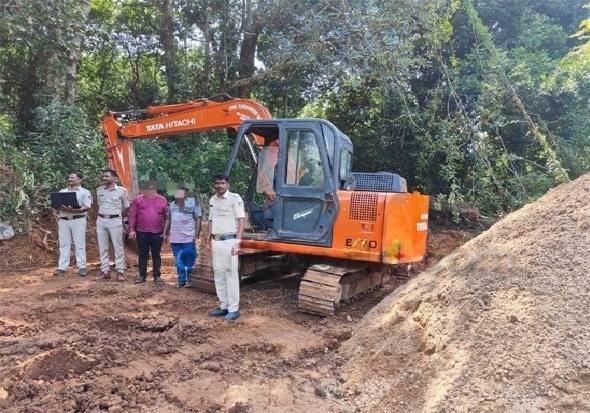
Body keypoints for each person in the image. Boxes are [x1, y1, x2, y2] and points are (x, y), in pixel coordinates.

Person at [206, 174, 245, 321]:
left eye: (222, 183)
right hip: (216, 241)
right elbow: (210, 221)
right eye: (217, 183)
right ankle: (224, 306)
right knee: (219, 274)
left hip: (230, 241)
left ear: (227, 184)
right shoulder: (212, 200)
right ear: (214, 185)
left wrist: (238, 242)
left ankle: (234, 309)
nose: (220, 186)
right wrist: (208, 239)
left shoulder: (235, 198)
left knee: (231, 274)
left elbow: (241, 220)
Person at [128, 181, 168, 284]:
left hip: (157, 232)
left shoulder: (162, 200)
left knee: (156, 254)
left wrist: (166, 232)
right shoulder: (137, 200)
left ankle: (157, 276)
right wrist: (131, 230)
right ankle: (142, 275)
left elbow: (166, 217)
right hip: (141, 232)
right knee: (142, 254)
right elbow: (132, 215)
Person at [53, 172, 92, 277]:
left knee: (79, 243)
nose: (70, 179)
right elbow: (57, 205)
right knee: (64, 243)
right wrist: (59, 206)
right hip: (64, 220)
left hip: (78, 219)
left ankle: (82, 266)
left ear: (79, 180)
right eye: (69, 177)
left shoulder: (84, 192)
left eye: (72, 178)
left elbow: (87, 206)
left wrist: (75, 210)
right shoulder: (63, 191)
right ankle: (62, 267)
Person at [95, 169, 130, 281]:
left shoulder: (122, 191)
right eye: (103, 176)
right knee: (103, 247)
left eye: (107, 176)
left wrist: (119, 217)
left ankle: (120, 271)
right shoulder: (99, 190)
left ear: (114, 178)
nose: (104, 178)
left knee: (118, 247)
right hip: (101, 220)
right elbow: (98, 205)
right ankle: (105, 271)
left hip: (115, 220)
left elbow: (127, 207)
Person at [164, 188, 202, 288]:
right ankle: (181, 280)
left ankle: (190, 280)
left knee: (189, 259)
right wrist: (165, 233)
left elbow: (198, 219)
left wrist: (196, 235)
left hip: (188, 238)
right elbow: (168, 219)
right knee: (179, 259)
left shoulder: (193, 203)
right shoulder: (172, 205)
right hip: (175, 238)